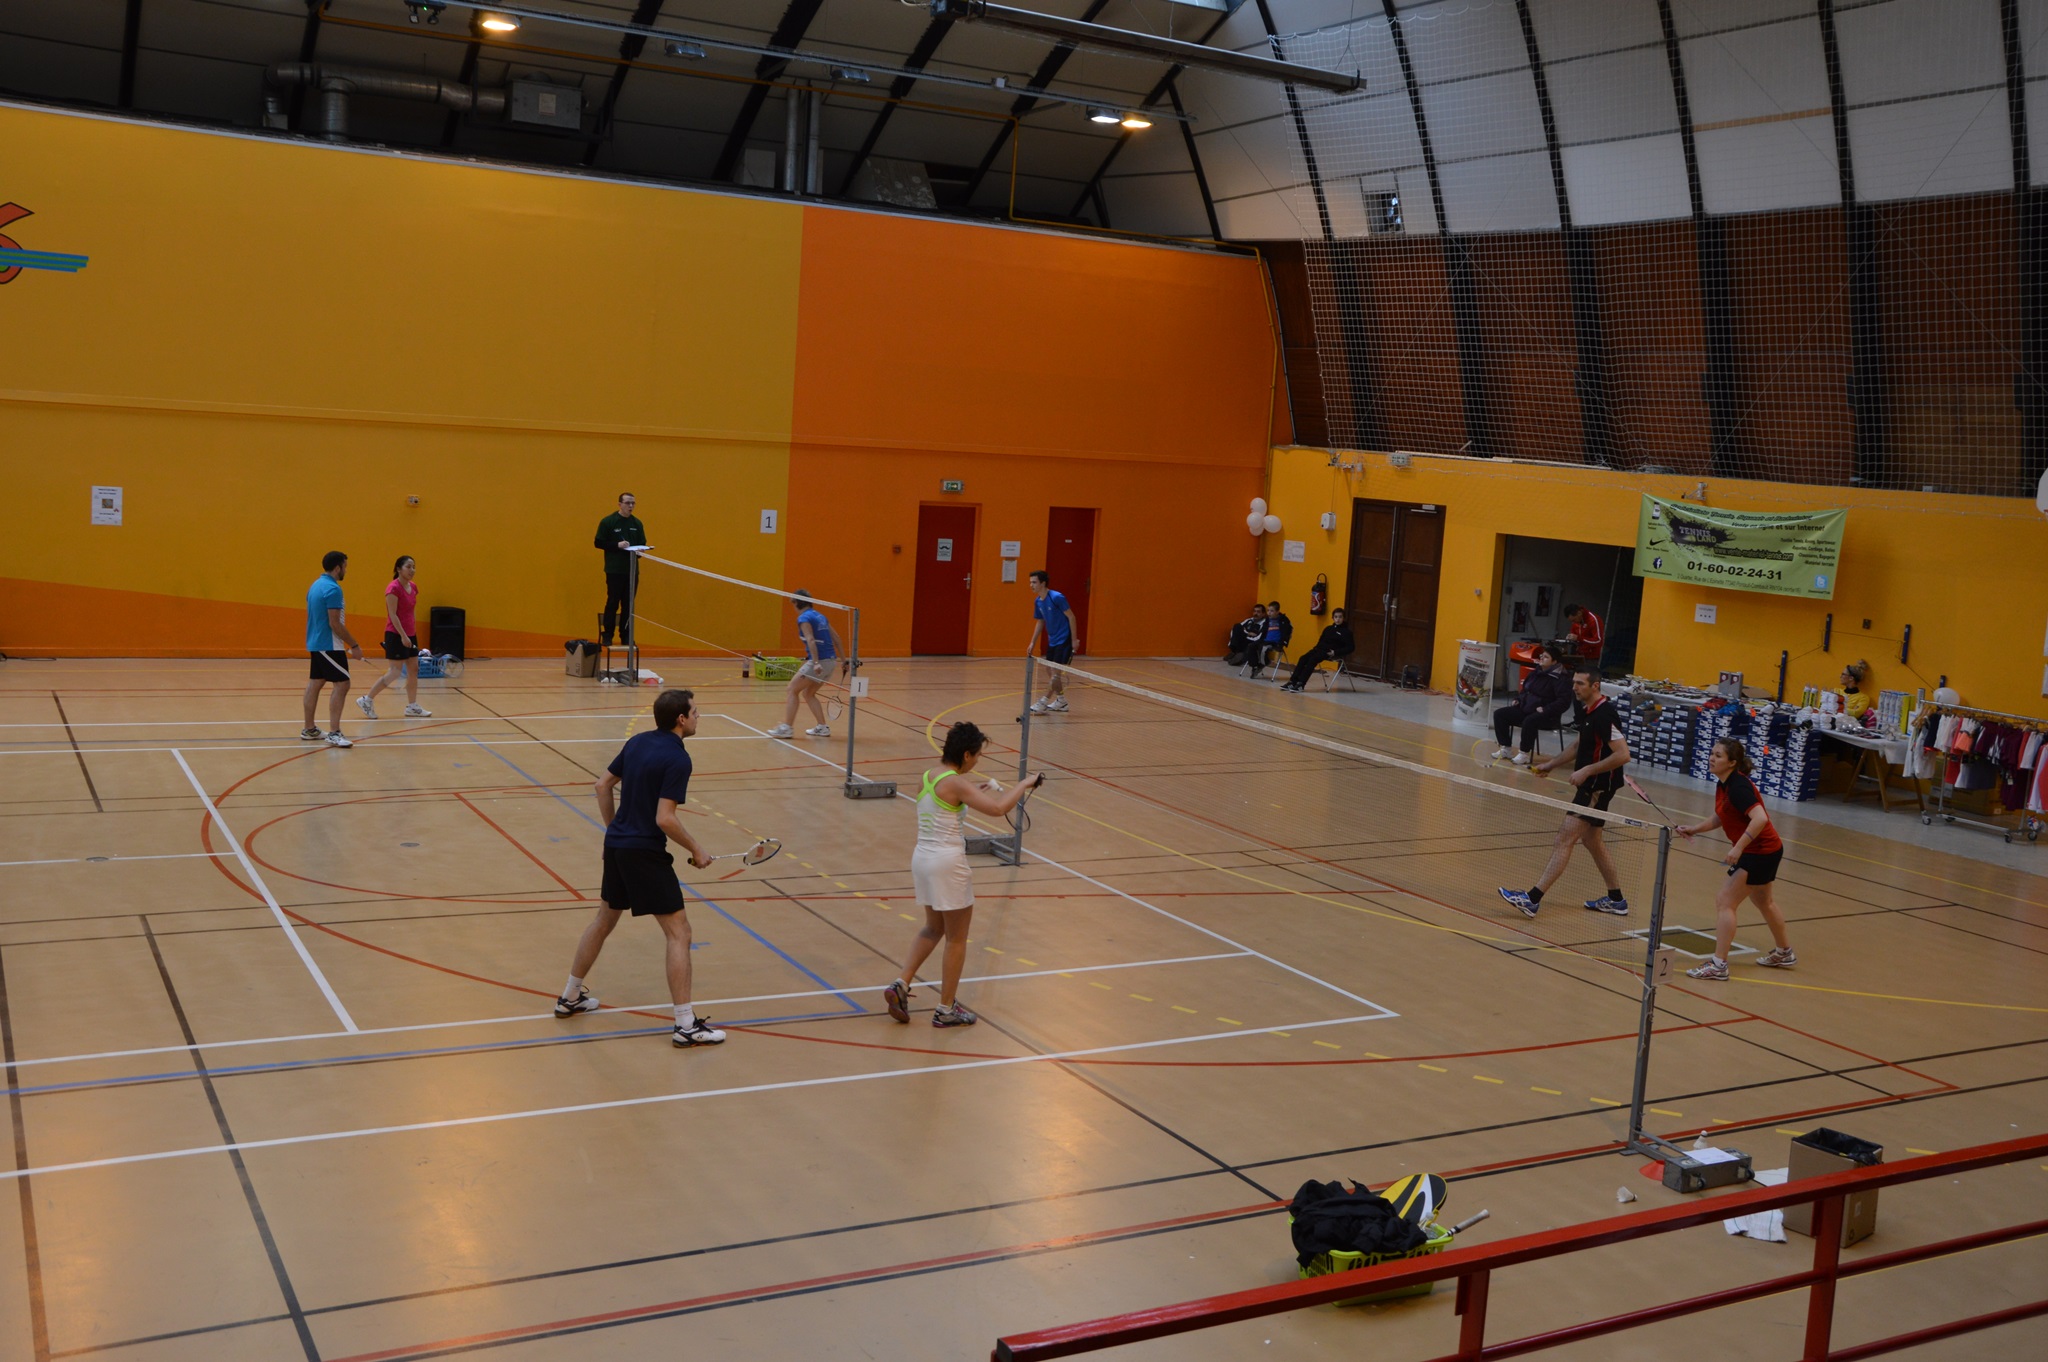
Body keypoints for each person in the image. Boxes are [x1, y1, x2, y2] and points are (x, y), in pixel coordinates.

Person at [554, 688, 726, 1047]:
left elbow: (602, 785)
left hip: (617, 846)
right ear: (681, 719)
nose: (699, 717)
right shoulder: (678, 759)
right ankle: (685, 1025)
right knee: (679, 933)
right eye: (696, 712)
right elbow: (665, 818)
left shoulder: (637, 742)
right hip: (644, 852)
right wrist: (697, 849)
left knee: (603, 920)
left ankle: (570, 996)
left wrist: (614, 830)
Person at [881, 722, 1043, 1028]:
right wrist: (1024, 784)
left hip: (922, 860)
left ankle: (900, 984)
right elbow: (998, 809)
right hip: (947, 864)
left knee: (933, 928)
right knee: (956, 939)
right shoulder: (956, 784)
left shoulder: (931, 775)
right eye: (978, 755)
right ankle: (945, 1009)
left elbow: (946, 803)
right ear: (966, 754)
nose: (978, 761)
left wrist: (972, 793)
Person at [1497, 669, 1632, 918]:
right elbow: (1578, 744)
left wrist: (1587, 770)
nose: (1574, 687)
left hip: (1596, 788)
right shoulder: (1587, 711)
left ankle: (1532, 899)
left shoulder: (1605, 714)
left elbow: (1623, 755)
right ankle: (1616, 900)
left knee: (1564, 839)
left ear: (1595, 686)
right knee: (1592, 841)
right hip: (1593, 785)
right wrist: (1552, 764)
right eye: (1574, 683)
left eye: (1580, 683)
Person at [1678, 736, 1798, 980]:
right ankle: (1784, 952)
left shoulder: (1739, 787)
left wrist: (1738, 848)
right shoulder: (1724, 784)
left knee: (1725, 901)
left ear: (1732, 762)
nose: (1712, 758)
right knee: (1764, 902)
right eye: (1712, 753)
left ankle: (1719, 965)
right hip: (1767, 850)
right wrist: (1695, 829)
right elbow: (1721, 816)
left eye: (1718, 756)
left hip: (1758, 851)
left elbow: (1760, 818)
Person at [357, 554, 432, 720]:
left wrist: (411, 633)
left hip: (410, 634)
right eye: (408, 567)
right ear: (399, 569)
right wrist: (403, 636)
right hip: (396, 634)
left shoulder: (413, 587)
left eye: (414, 567)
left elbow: (410, 611)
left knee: (413, 669)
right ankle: (367, 700)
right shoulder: (393, 588)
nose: (412, 570)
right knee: (395, 672)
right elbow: (393, 614)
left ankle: (412, 706)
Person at [301, 551, 362, 748]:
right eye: (345, 566)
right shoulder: (333, 589)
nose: (346, 570)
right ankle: (334, 733)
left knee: (316, 682)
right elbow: (334, 623)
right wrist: (354, 645)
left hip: (316, 643)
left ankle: (309, 729)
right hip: (329, 645)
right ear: (338, 568)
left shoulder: (315, 585)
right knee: (342, 684)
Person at [767, 593, 845, 739]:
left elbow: (811, 639)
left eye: (793, 603)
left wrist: (815, 663)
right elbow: (837, 638)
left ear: (797, 603)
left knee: (792, 689)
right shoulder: (821, 617)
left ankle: (787, 728)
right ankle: (822, 727)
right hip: (831, 661)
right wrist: (844, 661)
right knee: (808, 693)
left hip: (819, 662)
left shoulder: (804, 618)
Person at [1489, 644, 1571, 765]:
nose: (1541, 658)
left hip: (1547, 715)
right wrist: (1518, 699)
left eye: (1546, 657)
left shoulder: (1561, 679)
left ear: (1554, 662)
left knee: (1529, 721)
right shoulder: (1535, 672)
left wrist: (1546, 709)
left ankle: (1524, 754)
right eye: (1541, 656)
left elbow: (1564, 701)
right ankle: (1505, 748)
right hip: (1526, 708)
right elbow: (1525, 690)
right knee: (1500, 714)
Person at [594, 492, 646, 648]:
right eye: (628, 503)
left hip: (632, 571)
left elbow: (642, 543)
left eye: (633, 503)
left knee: (628, 605)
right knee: (612, 602)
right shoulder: (608, 521)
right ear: (620, 504)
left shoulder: (637, 523)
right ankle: (608, 635)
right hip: (614, 570)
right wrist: (617, 545)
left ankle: (626, 635)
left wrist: (641, 551)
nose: (631, 506)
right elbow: (598, 543)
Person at [1026, 570, 1081, 714]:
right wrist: (1032, 642)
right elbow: (1040, 622)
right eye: (1030, 582)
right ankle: (1061, 701)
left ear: (1043, 583)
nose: (1031, 585)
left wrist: (1074, 640)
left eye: (1034, 582)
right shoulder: (1038, 601)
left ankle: (1044, 701)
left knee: (1056, 673)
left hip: (1064, 639)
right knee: (1049, 669)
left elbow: (1071, 617)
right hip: (1053, 640)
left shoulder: (1057, 597)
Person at [1282, 608, 1354, 691]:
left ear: (1344, 618)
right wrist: (1316, 648)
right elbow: (1321, 640)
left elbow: (1351, 647)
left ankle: (1301, 684)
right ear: (1333, 618)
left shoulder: (1347, 632)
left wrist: (1335, 652)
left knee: (1312, 660)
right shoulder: (1328, 629)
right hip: (1319, 649)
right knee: (1303, 658)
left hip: (1330, 652)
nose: (1338, 619)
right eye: (1336, 617)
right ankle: (1292, 682)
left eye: (1340, 617)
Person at [1251, 600, 1292, 679]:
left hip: (1275, 642)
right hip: (1265, 640)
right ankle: (1255, 666)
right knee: (1251, 646)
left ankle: (1263, 664)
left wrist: (1283, 643)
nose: (1269, 613)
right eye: (1268, 610)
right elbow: (1263, 630)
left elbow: (1287, 633)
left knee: (1263, 648)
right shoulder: (1267, 620)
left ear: (1277, 612)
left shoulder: (1284, 620)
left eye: (1272, 611)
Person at [1563, 603, 1604, 669]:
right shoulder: (1576, 623)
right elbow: (1574, 636)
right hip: (1577, 656)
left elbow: (1598, 641)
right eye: (1571, 621)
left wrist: (1579, 638)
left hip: (1591, 658)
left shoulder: (1593, 620)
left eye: (1574, 620)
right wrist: (1569, 640)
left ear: (1579, 613)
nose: (1573, 623)